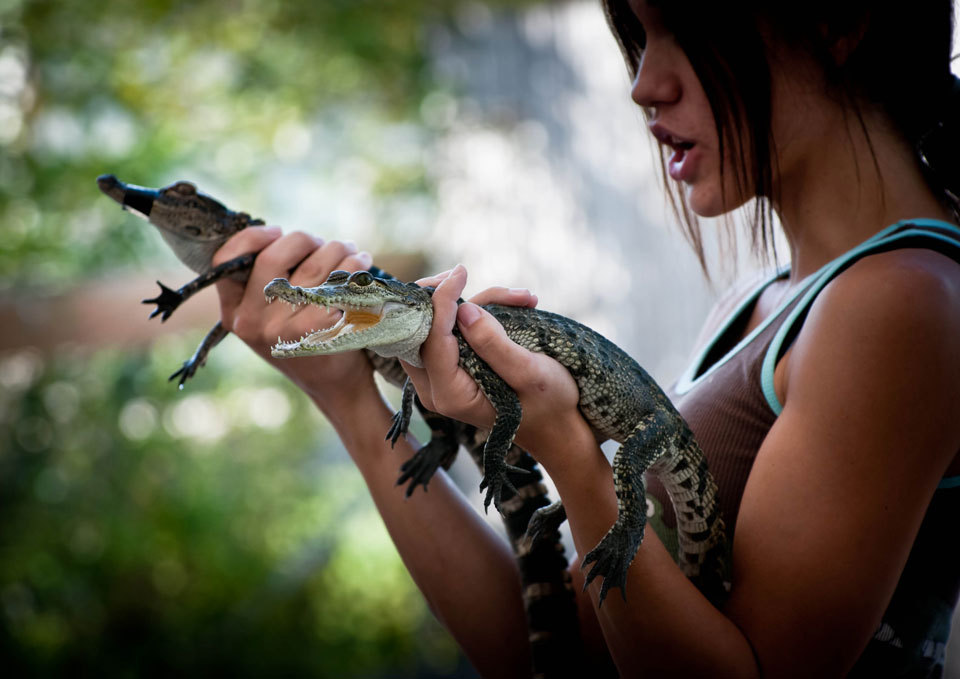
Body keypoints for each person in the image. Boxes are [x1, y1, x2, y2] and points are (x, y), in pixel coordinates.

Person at [212, 1, 960, 676]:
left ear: (839, 18)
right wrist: (347, 395)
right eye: (639, 36)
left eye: (683, 27)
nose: (644, 83)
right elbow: (548, 645)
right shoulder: (765, 299)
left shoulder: (899, 303)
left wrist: (566, 445)